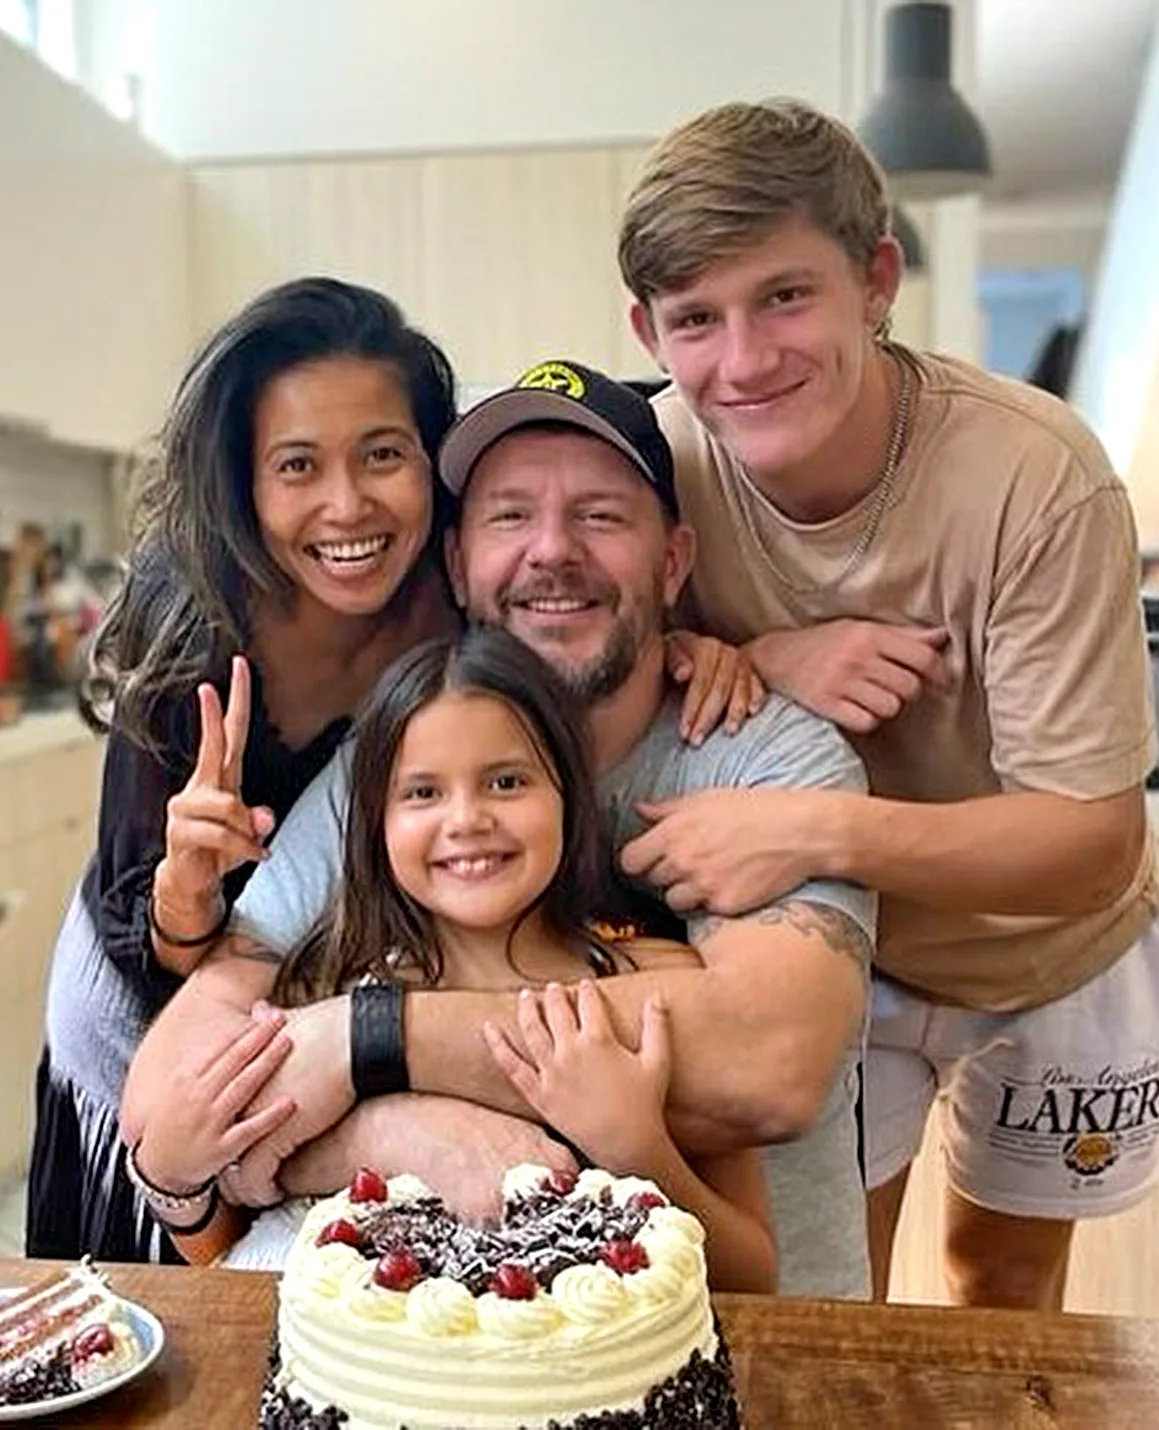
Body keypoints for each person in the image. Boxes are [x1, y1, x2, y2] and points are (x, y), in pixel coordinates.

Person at [123, 361, 877, 1297]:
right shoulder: (383, 766)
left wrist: (366, 1044)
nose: (550, 552)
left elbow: (770, 1067)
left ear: (673, 560)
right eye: (510, 517)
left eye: (600, 516)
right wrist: (382, 1133)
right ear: (456, 563)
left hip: (761, 1352)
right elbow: (173, 1112)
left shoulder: (768, 762)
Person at [614, 97, 1159, 1310]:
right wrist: (768, 655)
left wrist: (813, 828)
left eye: (785, 296)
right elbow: (565, 647)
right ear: (647, 332)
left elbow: (1091, 843)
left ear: (876, 279)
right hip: (841, 963)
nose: (746, 359)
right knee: (830, 1286)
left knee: (1004, 1284)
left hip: (1055, 952)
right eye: (697, 319)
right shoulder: (645, 463)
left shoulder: (1038, 476)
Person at [129, 628, 777, 1292]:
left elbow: (754, 1278)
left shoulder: (656, 984)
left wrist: (638, 1147)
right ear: (375, 820)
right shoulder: (316, 989)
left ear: (567, 793)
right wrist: (180, 1183)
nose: (466, 819)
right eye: (422, 793)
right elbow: (225, 1247)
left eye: (505, 781)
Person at [27, 276, 460, 1263]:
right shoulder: (187, 617)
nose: (347, 505)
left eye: (383, 454)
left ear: (434, 461)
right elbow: (147, 919)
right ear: (246, 481)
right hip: (143, 1006)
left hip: (316, 1014)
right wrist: (190, 894)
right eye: (297, 464)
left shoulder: (460, 590)